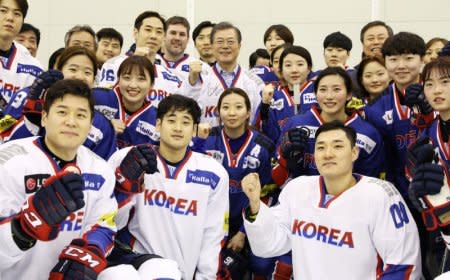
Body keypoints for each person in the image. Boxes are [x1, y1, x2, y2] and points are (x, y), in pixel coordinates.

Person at [242, 121, 422, 279]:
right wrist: (255, 205)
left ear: (354, 153)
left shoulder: (381, 194)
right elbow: (270, 244)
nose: (328, 154)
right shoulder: (297, 189)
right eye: (320, 147)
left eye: (337, 146)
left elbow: (403, 263)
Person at [0, 79, 118, 279]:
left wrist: (89, 253)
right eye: (62, 112)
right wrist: (23, 228)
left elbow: (104, 225)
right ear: (44, 118)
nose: (71, 122)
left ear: (90, 124)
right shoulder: (9, 160)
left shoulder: (101, 170)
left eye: (81, 115)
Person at [108, 94, 229, 279]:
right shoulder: (129, 158)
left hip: (184, 272)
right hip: (135, 265)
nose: (178, 128)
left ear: (195, 130)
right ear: (158, 125)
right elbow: (109, 221)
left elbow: (214, 234)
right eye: (171, 120)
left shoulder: (214, 172)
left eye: (186, 122)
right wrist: (126, 185)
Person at [193, 88, 276, 279]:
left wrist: (243, 232)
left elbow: (266, 193)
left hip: (244, 223)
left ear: (248, 112)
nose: (231, 113)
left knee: (260, 265)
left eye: (238, 107)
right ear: (218, 111)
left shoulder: (264, 146)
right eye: (226, 107)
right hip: (208, 220)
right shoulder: (207, 139)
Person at [1, 46, 118, 160]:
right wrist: (31, 123)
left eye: (87, 72)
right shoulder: (27, 97)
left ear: (94, 80)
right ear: (59, 71)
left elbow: (106, 167)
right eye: (73, 69)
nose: (80, 76)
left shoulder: (101, 123)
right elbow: (6, 143)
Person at [273, 67, 385, 185]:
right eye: (323, 90)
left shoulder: (368, 134)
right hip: (304, 199)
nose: (329, 96)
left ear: (349, 95)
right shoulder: (295, 125)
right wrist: (285, 159)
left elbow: (370, 183)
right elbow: (277, 179)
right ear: (315, 94)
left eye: (336, 89)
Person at [363, 31, 429, 198]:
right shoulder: (375, 108)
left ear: (422, 59)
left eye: (408, 58)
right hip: (401, 193)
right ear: (385, 62)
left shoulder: (439, 94)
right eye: (393, 59)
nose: (400, 66)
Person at [97, 11, 190, 107]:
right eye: (148, 30)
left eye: (159, 32)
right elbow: (105, 101)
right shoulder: (113, 64)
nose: (153, 36)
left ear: (163, 37)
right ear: (135, 33)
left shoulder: (171, 77)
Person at [188, 21, 263, 126]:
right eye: (219, 42)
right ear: (212, 46)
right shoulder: (200, 78)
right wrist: (192, 82)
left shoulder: (253, 80)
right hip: (209, 140)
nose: (225, 46)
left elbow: (258, 119)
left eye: (230, 41)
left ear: (239, 46)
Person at [93, 55, 159, 148]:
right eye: (127, 77)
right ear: (118, 80)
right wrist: (104, 125)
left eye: (141, 79)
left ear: (151, 84)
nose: (133, 85)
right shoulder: (97, 98)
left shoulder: (157, 119)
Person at [256, 45, 316, 142]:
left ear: (309, 68)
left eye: (300, 64)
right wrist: (265, 105)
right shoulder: (273, 97)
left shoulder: (319, 90)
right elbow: (268, 134)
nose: (294, 70)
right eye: (288, 65)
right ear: (281, 69)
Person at [0, 0, 42, 109]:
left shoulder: (34, 67)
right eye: (3, 11)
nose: (10, 18)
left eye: (17, 13)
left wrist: (6, 122)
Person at [160, 16, 209, 82]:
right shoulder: (152, 63)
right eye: (173, 33)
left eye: (182, 34)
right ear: (164, 36)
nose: (177, 38)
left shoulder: (203, 68)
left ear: (188, 39)